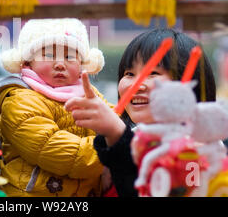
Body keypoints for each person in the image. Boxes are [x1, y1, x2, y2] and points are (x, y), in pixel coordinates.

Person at [66, 28, 216, 197]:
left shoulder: (200, 148)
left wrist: (116, 136)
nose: (136, 85)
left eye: (153, 73)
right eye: (129, 73)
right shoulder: (134, 136)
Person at [0, 18, 113, 196]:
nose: (60, 64)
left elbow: (116, 119)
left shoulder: (88, 94)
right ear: (27, 62)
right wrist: (112, 150)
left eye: (69, 57)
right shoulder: (19, 100)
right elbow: (58, 151)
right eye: (49, 56)